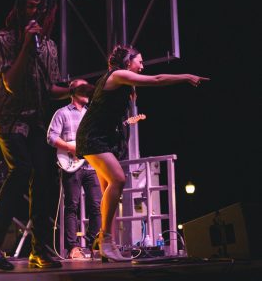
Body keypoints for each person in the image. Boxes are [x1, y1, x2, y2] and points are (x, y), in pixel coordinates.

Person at [76, 44, 210, 262]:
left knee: (108, 189)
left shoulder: (122, 81)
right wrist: (186, 76)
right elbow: (157, 80)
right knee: (118, 179)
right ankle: (106, 239)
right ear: (128, 62)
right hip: (92, 138)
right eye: (140, 60)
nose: (142, 65)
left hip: (103, 139)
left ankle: (104, 244)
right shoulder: (118, 75)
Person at [0, 0, 93, 270]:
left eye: (41, 7)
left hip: (35, 120)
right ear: (20, 7)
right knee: (21, 169)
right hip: (8, 117)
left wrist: (72, 90)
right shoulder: (3, 40)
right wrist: (26, 44)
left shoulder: (49, 46)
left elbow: (50, 88)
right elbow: (10, 84)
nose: (35, 11)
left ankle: (40, 250)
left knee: (45, 178)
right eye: (30, 5)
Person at [47, 78, 101, 260]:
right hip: (71, 165)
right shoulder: (62, 113)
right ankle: (73, 248)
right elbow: (51, 137)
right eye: (83, 89)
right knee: (72, 206)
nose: (87, 92)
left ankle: (92, 242)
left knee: (97, 206)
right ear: (73, 92)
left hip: (91, 165)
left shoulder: (92, 114)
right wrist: (72, 148)